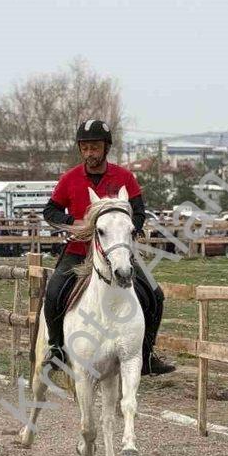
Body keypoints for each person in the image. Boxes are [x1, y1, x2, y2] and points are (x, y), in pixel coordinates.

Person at [41, 119, 175, 376]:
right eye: (85, 148)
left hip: (117, 252)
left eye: (95, 147)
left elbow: (138, 212)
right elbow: (50, 211)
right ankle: (57, 348)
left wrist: (128, 229)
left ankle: (147, 353)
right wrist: (73, 223)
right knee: (55, 292)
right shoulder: (70, 179)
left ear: (106, 148)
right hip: (80, 252)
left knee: (154, 295)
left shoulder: (124, 177)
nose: (90, 153)